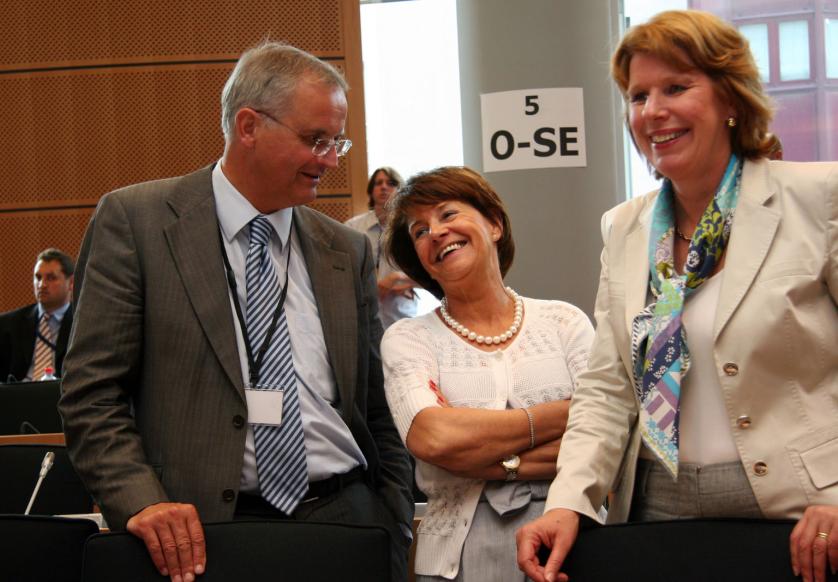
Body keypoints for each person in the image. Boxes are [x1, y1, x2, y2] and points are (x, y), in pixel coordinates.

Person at [59, 42, 413, 582]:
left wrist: (393, 516)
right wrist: (140, 500)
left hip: (346, 524)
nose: (330, 160)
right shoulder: (138, 222)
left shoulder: (345, 248)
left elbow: (374, 404)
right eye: (315, 140)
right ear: (248, 126)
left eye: (336, 142)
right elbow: (91, 393)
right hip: (199, 536)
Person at [516, 10, 838, 582]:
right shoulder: (624, 227)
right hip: (656, 507)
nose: (652, 111)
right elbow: (608, 387)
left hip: (800, 511)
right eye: (638, 96)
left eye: (676, 88)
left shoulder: (819, 198)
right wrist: (569, 500)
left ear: (730, 98)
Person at [381, 166, 595, 581]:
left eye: (447, 214)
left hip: (570, 539)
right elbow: (434, 437)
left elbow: (604, 436)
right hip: (455, 557)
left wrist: (485, 457)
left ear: (494, 224)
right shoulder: (408, 338)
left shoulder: (564, 322)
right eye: (419, 231)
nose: (435, 232)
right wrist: (570, 413)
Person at [346, 166, 425, 329]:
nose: (384, 187)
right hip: (362, 314)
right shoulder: (352, 228)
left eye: (391, 183)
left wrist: (398, 278)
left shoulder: (412, 227)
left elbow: (431, 272)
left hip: (400, 315)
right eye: (378, 183)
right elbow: (341, 270)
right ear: (371, 190)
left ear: (400, 190)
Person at [0, 248, 74, 382]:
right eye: (38, 277)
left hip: (62, 392)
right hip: (19, 392)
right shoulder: (7, 324)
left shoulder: (83, 324)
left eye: (51, 278)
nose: (42, 284)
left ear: (71, 283)